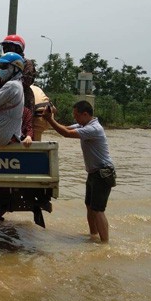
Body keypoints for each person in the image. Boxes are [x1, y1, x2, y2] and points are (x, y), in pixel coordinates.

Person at [43, 100, 115, 243]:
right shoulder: (84, 124)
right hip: (94, 173)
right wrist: (51, 118)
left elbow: (66, 134)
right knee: (90, 207)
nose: (75, 118)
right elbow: (66, 128)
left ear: (85, 114)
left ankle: (105, 244)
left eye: (76, 115)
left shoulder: (94, 129)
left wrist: (50, 119)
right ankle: (93, 236)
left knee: (98, 209)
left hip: (103, 173)